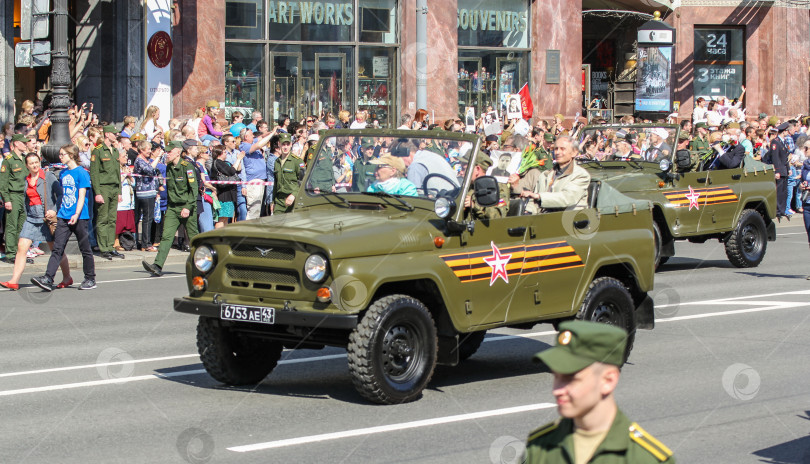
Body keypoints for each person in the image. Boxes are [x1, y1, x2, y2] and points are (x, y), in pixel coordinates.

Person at [523, 320, 675, 463]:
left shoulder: (645, 459)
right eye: (557, 377)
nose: (557, 390)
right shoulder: (539, 447)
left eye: (571, 378)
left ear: (608, 381)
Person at [0, 153, 71, 290]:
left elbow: (61, 194)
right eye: (31, 163)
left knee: (56, 250)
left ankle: (67, 277)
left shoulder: (48, 176)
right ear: (26, 166)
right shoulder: (26, 180)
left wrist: (55, 210)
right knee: (21, 247)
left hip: (46, 218)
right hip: (31, 218)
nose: (35, 165)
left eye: (36, 162)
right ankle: (14, 280)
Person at [30, 144, 96, 291]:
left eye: (62, 154)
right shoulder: (64, 174)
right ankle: (48, 277)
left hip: (80, 216)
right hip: (63, 215)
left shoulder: (82, 173)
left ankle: (90, 278)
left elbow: (82, 196)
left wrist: (76, 214)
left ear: (71, 155)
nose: (60, 157)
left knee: (85, 248)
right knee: (57, 248)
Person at [142, 141, 199, 277]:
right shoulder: (169, 167)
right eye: (167, 151)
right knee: (166, 237)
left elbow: (194, 189)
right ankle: (157, 265)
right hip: (173, 208)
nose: (167, 154)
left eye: (170, 151)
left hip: (187, 206)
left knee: (194, 239)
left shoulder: (187, 167)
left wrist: (187, 207)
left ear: (178, 152)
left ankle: (203, 266)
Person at [522, 135, 591, 213]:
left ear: (574, 153)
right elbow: (533, 202)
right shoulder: (545, 175)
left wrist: (540, 196)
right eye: (556, 149)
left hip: (568, 220)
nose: (558, 152)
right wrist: (528, 212)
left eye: (562, 149)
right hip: (542, 219)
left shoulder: (581, 175)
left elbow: (567, 198)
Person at [91, 125, 124, 260]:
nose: (116, 136)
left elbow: (118, 172)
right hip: (103, 187)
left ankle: (111, 246)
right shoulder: (98, 151)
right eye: (113, 133)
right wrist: (97, 192)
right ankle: (103, 248)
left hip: (114, 187)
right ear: (107, 134)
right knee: (103, 218)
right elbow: (94, 173)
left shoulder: (115, 151)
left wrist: (119, 191)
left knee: (112, 219)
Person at [0, 134, 30, 264]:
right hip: (13, 195)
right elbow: (3, 183)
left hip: (25, 195)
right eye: (23, 143)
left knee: (22, 225)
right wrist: (6, 199)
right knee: (12, 225)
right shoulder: (9, 160)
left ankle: (20, 252)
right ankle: (10, 253)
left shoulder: (25, 159)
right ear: (16, 143)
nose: (26, 145)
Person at [133, 140, 160, 251]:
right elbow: (149, 170)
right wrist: (158, 157)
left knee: (148, 218)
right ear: (141, 150)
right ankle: (146, 244)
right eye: (148, 149)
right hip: (144, 192)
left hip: (150, 191)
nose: (150, 151)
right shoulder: (139, 160)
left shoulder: (146, 160)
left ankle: (145, 242)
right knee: (147, 219)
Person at [273, 133, 304, 214]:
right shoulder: (277, 162)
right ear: (279, 144)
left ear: (291, 145)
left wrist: (293, 195)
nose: (285, 147)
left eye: (288, 144)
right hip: (280, 201)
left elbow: (303, 181)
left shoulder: (297, 161)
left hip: (293, 201)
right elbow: (275, 184)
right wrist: (273, 202)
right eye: (283, 144)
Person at [210, 145, 240, 228]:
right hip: (222, 195)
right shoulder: (218, 162)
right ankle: (217, 237)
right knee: (221, 218)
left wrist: (239, 160)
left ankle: (224, 237)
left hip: (228, 194)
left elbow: (237, 170)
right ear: (219, 153)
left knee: (226, 218)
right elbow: (231, 171)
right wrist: (239, 159)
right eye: (224, 152)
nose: (226, 153)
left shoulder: (224, 163)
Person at [769, 122, 791, 219]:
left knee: (784, 191)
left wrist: (788, 169)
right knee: (779, 191)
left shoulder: (783, 142)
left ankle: (782, 210)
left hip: (784, 169)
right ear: (783, 131)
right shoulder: (775, 142)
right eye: (786, 130)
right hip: (780, 170)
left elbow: (785, 158)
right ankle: (777, 210)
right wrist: (777, 171)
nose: (788, 132)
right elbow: (775, 158)